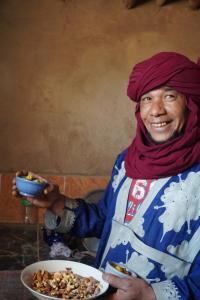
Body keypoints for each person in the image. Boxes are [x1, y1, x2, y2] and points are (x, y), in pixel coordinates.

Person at [12, 52, 200, 300]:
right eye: (147, 98)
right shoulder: (128, 161)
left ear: (190, 103)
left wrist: (152, 294)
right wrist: (57, 204)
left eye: (169, 96)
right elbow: (106, 220)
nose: (156, 110)